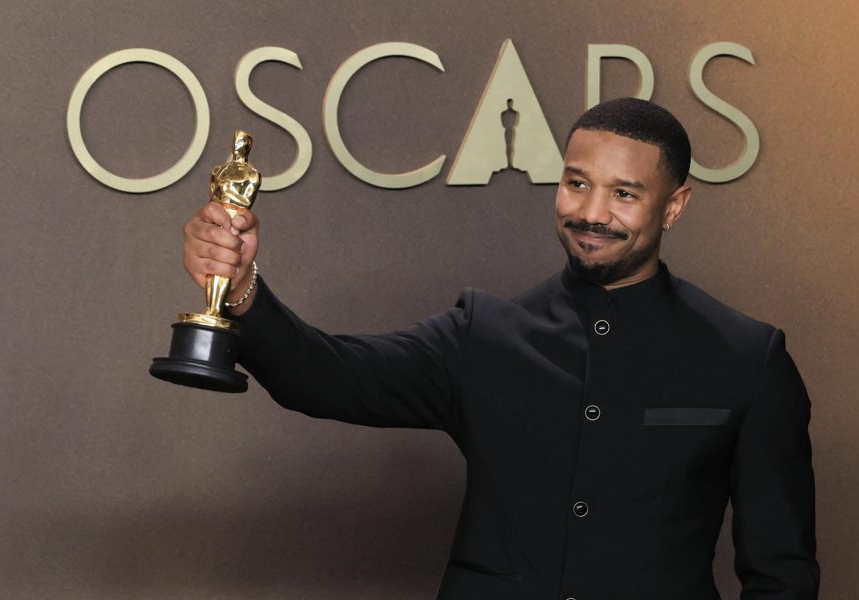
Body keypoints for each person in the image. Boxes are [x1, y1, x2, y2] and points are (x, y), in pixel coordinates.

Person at [181, 98, 819, 599]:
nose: (591, 212)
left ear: (674, 206)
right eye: (576, 183)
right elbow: (327, 377)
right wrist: (240, 290)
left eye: (624, 193)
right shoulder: (482, 335)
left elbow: (782, 575)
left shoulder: (747, 358)